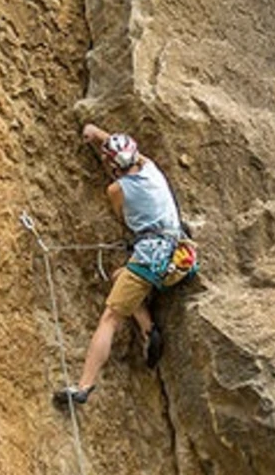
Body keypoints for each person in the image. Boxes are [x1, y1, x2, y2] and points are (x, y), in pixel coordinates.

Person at [53, 124, 192, 408]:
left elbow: (125, 219)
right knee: (119, 276)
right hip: (178, 254)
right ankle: (148, 329)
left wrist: (98, 143)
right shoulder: (152, 169)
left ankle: (83, 387)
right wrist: (99, 134)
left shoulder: (117, 190)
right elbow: (131, 155)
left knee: (110, 318)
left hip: (150, 259)